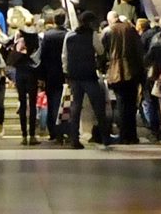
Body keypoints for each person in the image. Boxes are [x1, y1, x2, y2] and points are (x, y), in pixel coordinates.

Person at [62, 10, 111, 149]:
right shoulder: (92, 35)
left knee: (76, 107)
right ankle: (105, 138)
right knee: (98, 106)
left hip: (74, 76)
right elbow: (101, 51)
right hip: (89, 75)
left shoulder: (69, 35)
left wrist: (67, 72)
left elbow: (64, 56)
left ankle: (74, 139)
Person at [105, 11, 144, 144]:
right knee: (131, 104)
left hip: (116, 71)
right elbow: (140, 49)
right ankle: (132, 136)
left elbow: (103, 51)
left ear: (111, 20)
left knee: (120, 104)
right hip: (132, 71)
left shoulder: (108, 31)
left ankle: (123, 136)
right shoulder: (131, 29)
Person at [11, 18, 42, 144]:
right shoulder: (36, 43)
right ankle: (32, 135)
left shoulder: (19, 42)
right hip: (32, 75)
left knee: (23, 104)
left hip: (20, 75)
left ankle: (24, 135)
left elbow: (13, 59)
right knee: (33, 105)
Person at [39, 10, 69, 143]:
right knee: (66, 102)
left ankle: (53, 132)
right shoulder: (68, 34)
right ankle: (65, 130)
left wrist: (42, 75)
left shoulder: (48, 35)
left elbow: (43, 55)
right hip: (65, 73)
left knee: (52, 103)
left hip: (50, 74)